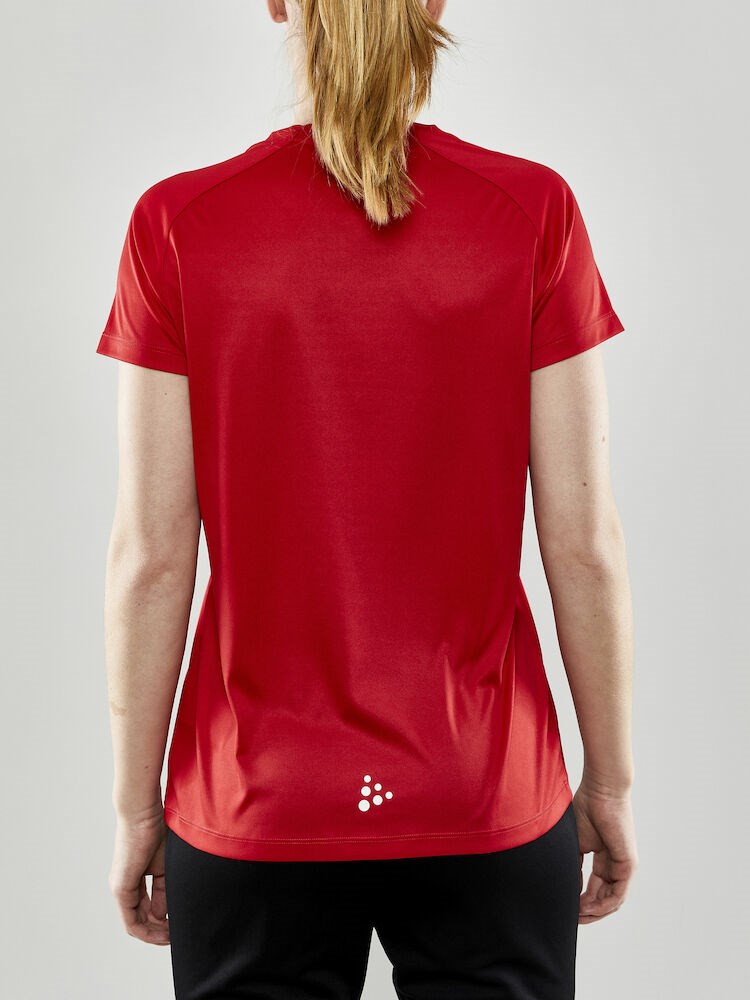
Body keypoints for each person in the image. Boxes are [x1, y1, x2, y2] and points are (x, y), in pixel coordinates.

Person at [96, 0, 638, 997]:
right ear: (435, 2)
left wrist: (138, 807)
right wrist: (609, 781)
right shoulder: (532, 212)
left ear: (278, 1)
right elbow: (584, 545)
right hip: (483, 787)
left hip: (256, 798)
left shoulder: (177, 224)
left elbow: (152, 558)